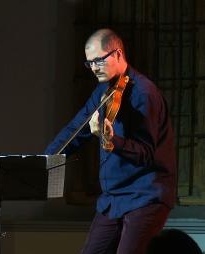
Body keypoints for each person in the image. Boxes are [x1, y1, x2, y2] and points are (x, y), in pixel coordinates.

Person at [45, 28, 177, 254]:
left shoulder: (144, 94)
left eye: (98, 61)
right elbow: (77, 129)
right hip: (113, 199)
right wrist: (46, 158)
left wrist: (112, 141)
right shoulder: (103, 90)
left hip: (144, 196)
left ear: (117, 54)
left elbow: (146, 153)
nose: (94, 68)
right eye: (89, 63)